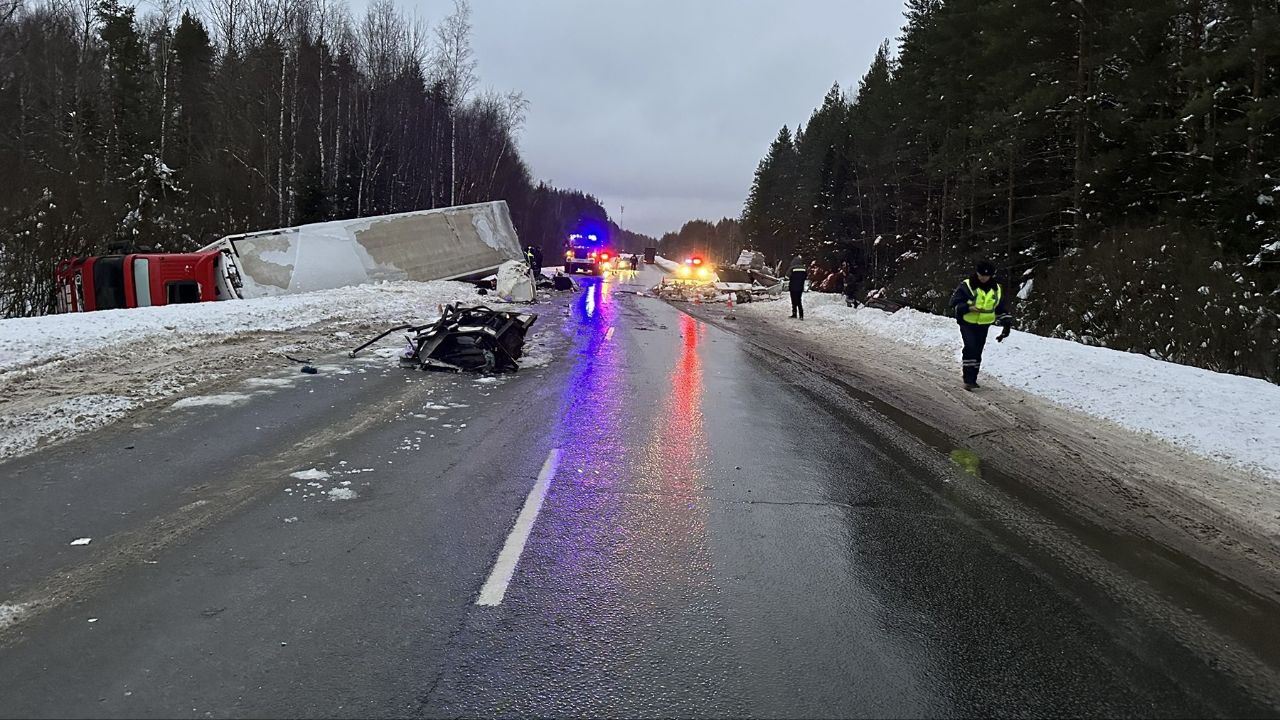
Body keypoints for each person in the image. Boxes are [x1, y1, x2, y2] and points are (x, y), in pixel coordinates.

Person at [949, 259, 1012, 390]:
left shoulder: (997, 289)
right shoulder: (967, 285)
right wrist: (968, 307)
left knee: (977, 350)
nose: (983, 278)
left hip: (984, 324)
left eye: (986, 276)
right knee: (970, 347)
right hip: (967, 322)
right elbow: (954, 303)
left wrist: (1006, 325)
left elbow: (1000, 308)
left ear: (991, 276)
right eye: (981, 275)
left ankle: (973, 378)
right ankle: (968, 379)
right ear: (977, 273)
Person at [788, 254, 807, 319]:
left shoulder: (792, 268)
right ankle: (801, 315)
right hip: (800, 287)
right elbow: (805, 277)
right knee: (799, 300)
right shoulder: (804, 268)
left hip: (793, 286)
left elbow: (787, 276)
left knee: (793, 300)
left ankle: (794, 313)